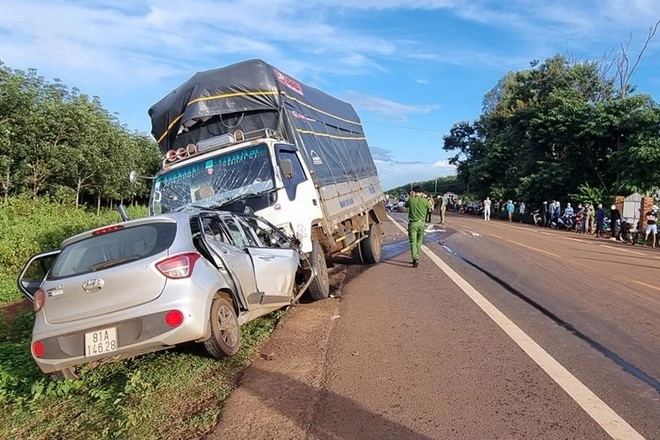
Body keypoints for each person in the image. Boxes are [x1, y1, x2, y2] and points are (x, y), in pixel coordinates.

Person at [405, 186, 433, 267]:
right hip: (422, 223)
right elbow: (430, 207)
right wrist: (426, 198)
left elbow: (405, 205)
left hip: (413, 224)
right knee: (419, 242)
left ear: (414, 192)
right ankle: (417, 256)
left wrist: (411, 197)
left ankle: (415, 258)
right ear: (422, 193)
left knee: (413, 242)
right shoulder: (424, 201)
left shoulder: (411, 200)